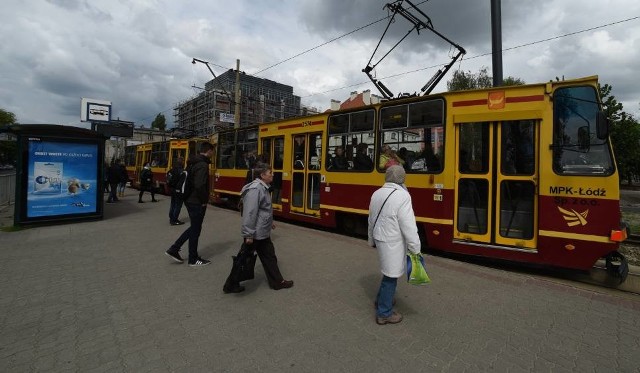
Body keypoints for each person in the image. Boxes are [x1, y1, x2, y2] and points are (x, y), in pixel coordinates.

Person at [223, 162, 293, 293]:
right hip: (255, 233)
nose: (272, 174)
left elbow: (263, 210)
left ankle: (277, 282)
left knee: (269, 256)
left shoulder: (263, 187)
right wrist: (248, 234)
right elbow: (250, 213)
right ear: (262, 175)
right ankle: (230, 285)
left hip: (262, 231)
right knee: (243, 259)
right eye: (270, 173)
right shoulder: (256, 189)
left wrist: (269, 222)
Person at [367, 165, 421, 325]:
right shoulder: (403, 196)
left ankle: (381, 300)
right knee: (391, 276)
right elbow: (408, 225)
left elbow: (370, 219)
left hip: (381, 239)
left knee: (388, 272)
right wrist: (415, 248)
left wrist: (371, 239)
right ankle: (384, 313)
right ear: (402, 178)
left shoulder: (377, 193)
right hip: (393, 242)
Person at [168, 157, 186, 226]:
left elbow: (169, 179)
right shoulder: (182, 171)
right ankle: (174, 220)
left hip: (172, 189)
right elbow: (182, 183)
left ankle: (171, 217)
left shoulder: (172, 170)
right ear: (182, 163)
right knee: (178, 205)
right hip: (178, 191)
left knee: (172, 204)